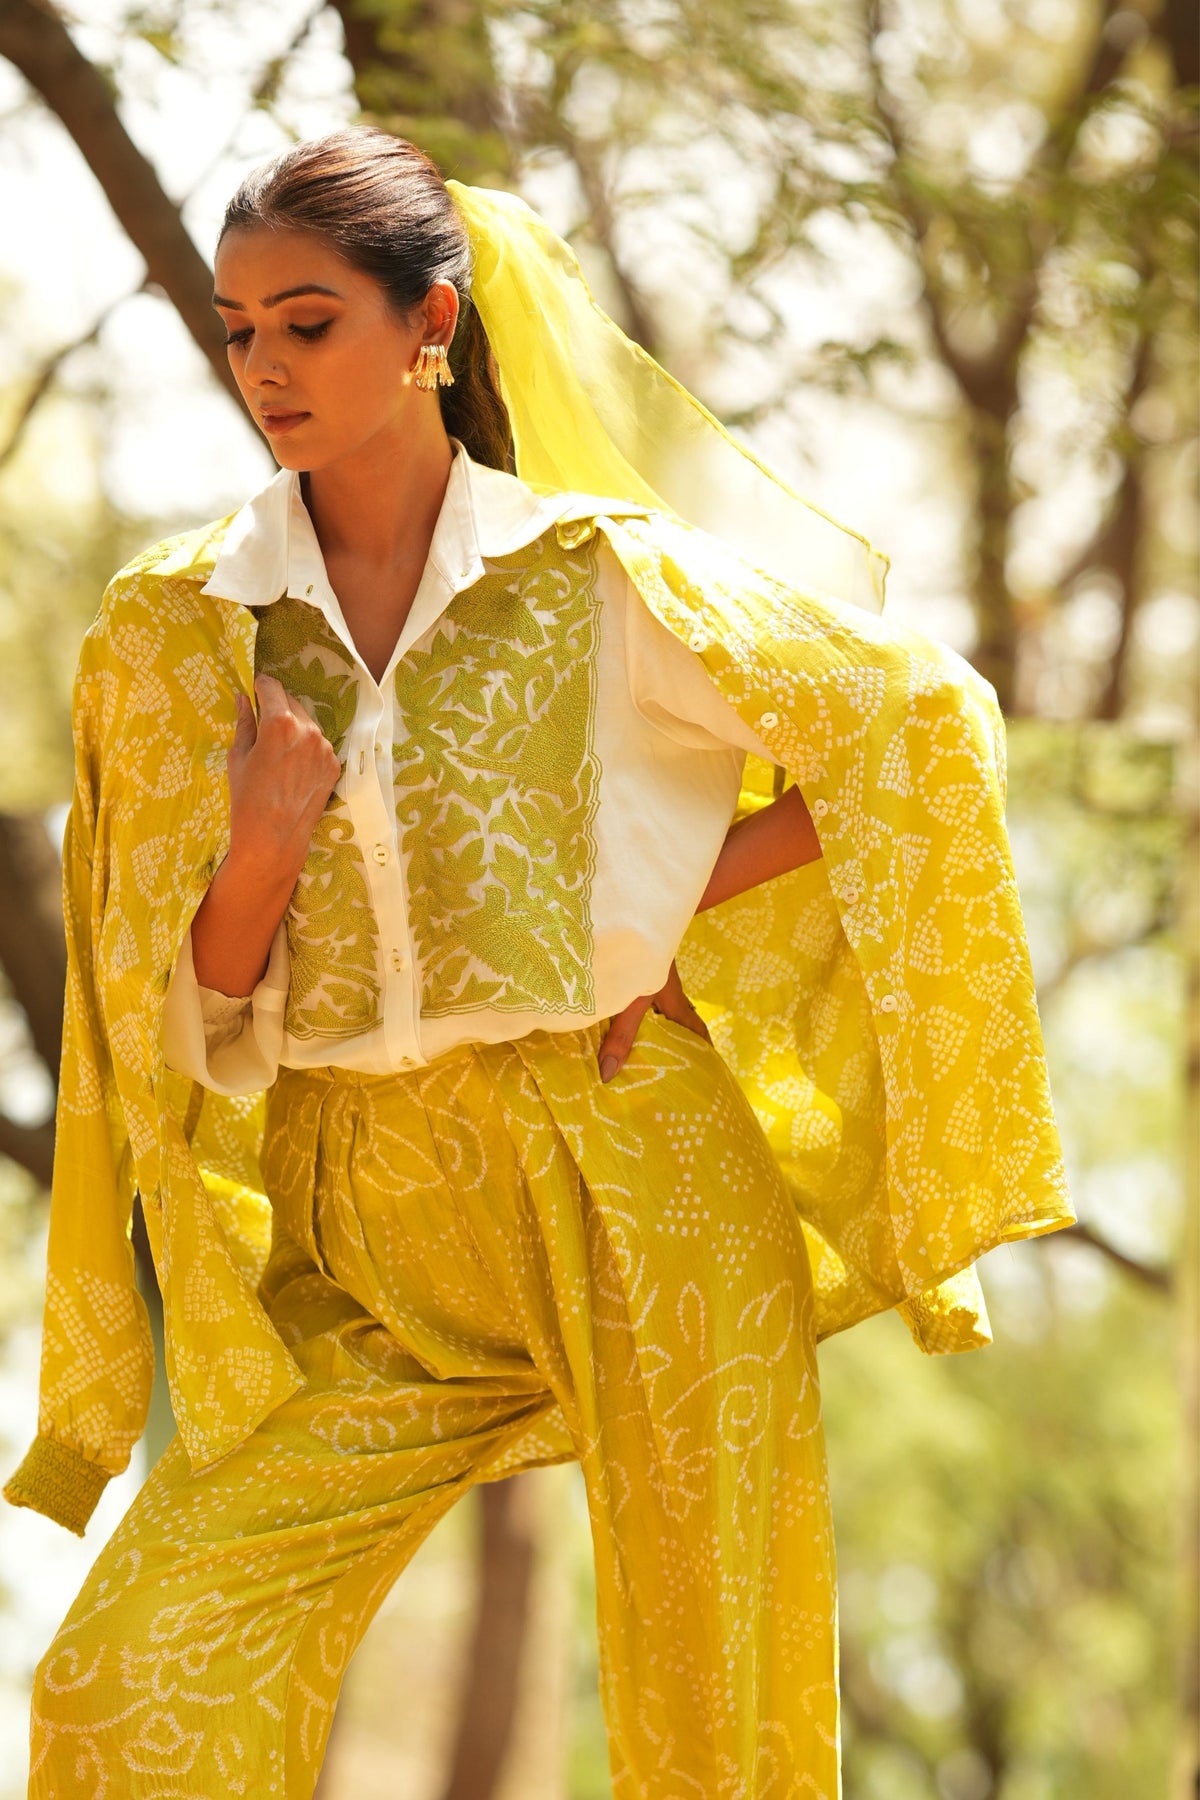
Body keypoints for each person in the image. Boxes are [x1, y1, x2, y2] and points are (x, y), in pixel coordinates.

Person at [4, 126, 1076, 1798]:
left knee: (715, 1721)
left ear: (431, 326)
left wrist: (648, 924)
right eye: (237, 330)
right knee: (123, 1683)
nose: (263, 368)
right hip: (361, 1224)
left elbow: (925, 726)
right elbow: (179, 1017)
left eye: (308, 322)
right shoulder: (179, 626)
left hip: (633, 1162)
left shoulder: (598, 581)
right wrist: (268, 840)